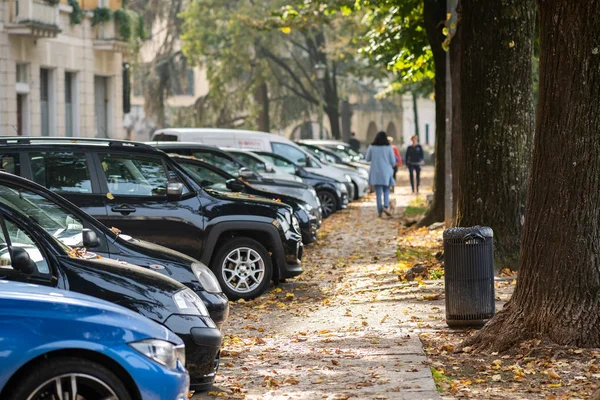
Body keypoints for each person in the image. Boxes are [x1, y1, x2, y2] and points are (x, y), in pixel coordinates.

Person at [366, 131, 397, 217]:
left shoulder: (372, 147)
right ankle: (386, 206)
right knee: (386, 190)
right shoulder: (389, 147)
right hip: (386, 172)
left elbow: (367, 158)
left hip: (376, 172)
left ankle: (380, 211)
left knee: (378, 192)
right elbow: (393, 161)